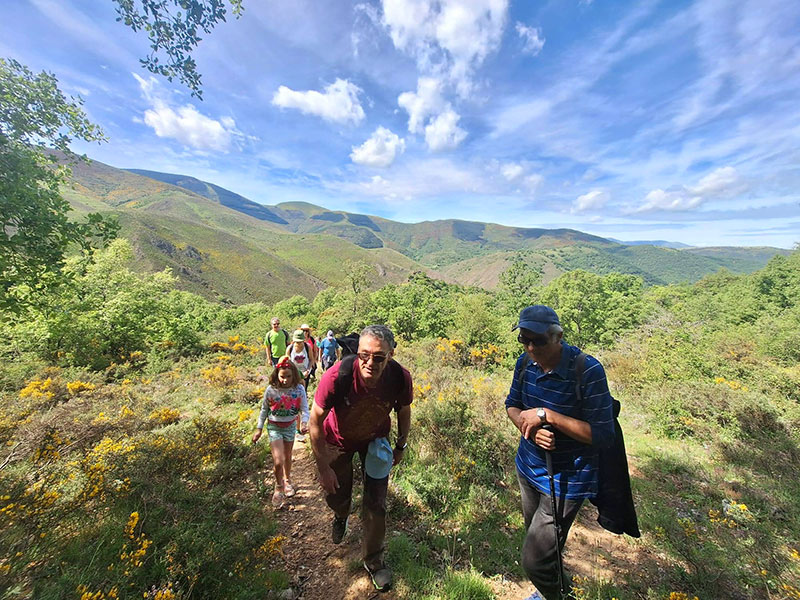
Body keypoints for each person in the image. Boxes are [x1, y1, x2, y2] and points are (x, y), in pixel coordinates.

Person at [505, 305, 615, 600]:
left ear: (558, 336)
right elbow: (512, 405)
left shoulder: (587, 370)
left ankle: (555, 595)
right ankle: (554, 592)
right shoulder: (524, 364)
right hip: (528, 468)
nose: (530, 347)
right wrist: (527, 425)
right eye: (524, 340)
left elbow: (603, 435)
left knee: (535, 559)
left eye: (538, 340)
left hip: (567, 480)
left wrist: (548, 415)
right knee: (543, 544)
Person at [309, 325, 412, 593]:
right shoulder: (337, 376)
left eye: (378, 357)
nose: (369, 363)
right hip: (337, 440)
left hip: (375, 440)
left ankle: (374, 561)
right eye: (364, 355)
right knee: (336, 494)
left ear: (391, 354)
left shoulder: (399, 378)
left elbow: (403, 410)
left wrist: (401, 445)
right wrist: (323, 469)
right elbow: (315, 420)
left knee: (376, 503)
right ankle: (341, 513)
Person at [252, 358, 309, 508]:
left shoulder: (299, 389)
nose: (285, 380)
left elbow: (304, 408)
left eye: (288, 376)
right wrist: (259, 428)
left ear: (294, 375)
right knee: (278, 460)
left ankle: (287, 480)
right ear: (277, 374)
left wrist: (304, 422)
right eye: (282, 376)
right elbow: (264, 409)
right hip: (274, 427)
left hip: (290, 426)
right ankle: (278, 486)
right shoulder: (271, 389)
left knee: (288, 456)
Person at [287, 329, 313, 442]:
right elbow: (286, 364)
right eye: (297, 342)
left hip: (304, 378)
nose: (298, 343)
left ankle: (303, 425)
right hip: (293, 378)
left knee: (302, 400)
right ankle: (297, 429)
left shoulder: (308, 347)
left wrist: (308, 370)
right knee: (295, 402)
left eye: (300, 341)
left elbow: (311, 360)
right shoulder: (290, 349)